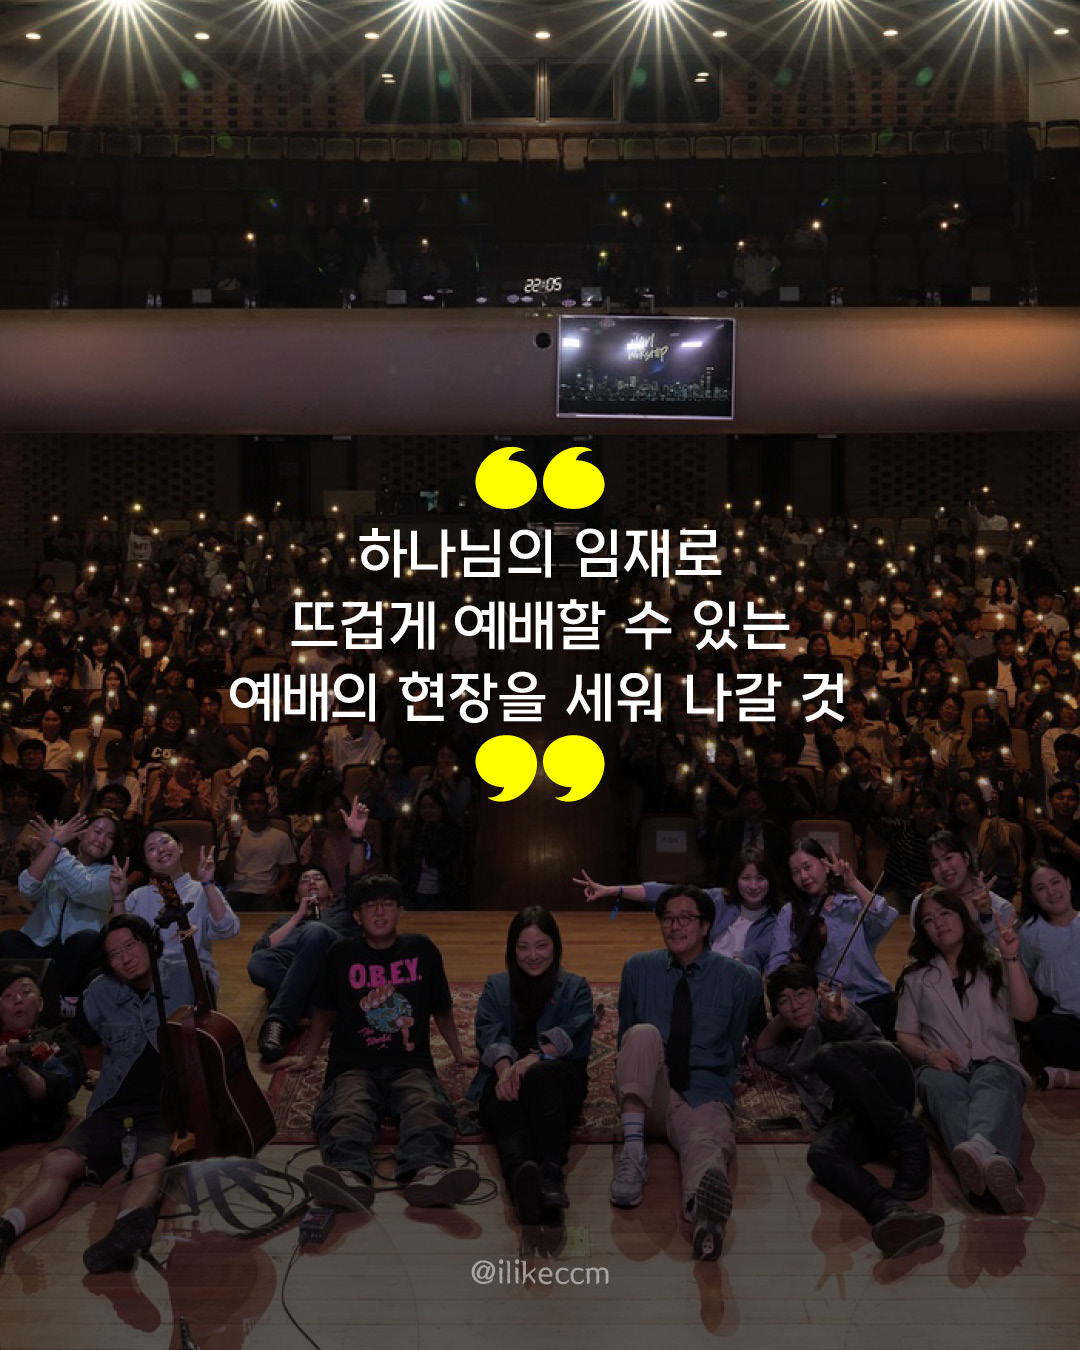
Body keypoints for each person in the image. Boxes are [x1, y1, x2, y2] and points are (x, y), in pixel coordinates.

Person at [0, 915, 194, 1273]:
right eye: (115, 954)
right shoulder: (100, 992)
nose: (126, 958)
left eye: (131, 946)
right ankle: (6, 1228)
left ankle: (123, 1236)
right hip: (112, 1105)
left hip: (165, 1108)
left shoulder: (186, 976)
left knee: (149, 1164)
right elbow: (83, 1038)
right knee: (58, 1162)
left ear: (148, 942)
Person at [275, 873, 479, 1211]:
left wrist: (458, 1053)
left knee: (425, 1106)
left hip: (409, 1062)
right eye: (371, 906)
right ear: (357, 916)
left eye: (388, 904)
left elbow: (441, 1006)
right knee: (348, 1110)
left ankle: (430, 1173)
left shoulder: (422, 949)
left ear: (400, 911)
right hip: (353, 1064)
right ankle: (348, 1177)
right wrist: (308, 1057)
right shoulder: (340, 953)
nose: (380, 912)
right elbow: (324, 1010)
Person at [610, 884, 759, 1261]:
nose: (675, 926)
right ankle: (633, 1154)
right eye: (668, 918)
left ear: (706, 926)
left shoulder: (738, 978)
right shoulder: (638, 968)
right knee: (641, 1034)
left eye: (686, 918)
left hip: (701, 1090)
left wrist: (726, 1083)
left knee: (706, 1147)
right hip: (649, 1092)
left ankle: (705, 1218)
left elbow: (735, 1041)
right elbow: (624, 1036)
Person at [756, 963, 943, 1259]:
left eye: (801, 994)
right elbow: (763, 1049)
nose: (795, 1005)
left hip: (886, 1079)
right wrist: (786, 1011)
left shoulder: (831, 1011)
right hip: (856, 1113)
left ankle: (910, 1134)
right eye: (784, 1001)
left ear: (816, 993)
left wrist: (826, 1008)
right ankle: (891, 1210)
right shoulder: (793, 1052)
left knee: (828, 1056)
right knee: (820, 1154)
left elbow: (840, 1016)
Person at [896, 886, 1037, 1212]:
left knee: (991, 1080)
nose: (939, 923)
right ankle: (995, 1164)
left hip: (997, 1063)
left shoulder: (995, 961)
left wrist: (1011, 957)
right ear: (923, 931)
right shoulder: (915, 977)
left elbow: (1026, 1012)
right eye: (928, 920)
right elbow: (905, 1034)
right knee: (942, 1088)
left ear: (962, 916)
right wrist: (929, 1055)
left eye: (945, 913)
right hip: (944, 1067)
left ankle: (979, 1169)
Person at [468, 906, 594, 1225]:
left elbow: (573, 1035)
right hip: (505, 1074)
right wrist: (505, 1073)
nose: (533, 956)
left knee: (539, 1077)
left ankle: (551, 1174)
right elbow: (489, 1031)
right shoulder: (496, 985)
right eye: (523, 947)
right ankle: (521, 1182)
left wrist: (532, 1059)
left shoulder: (576, 986)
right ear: (512, 950)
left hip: (556, 1078)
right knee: (506, 1107)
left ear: (555, 946)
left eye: (541, 946)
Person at [248, 798, 374, 1061]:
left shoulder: (343, 908)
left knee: (315, 931)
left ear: (331, 891)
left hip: (335, 963)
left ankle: (278, 1020)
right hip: (300, 964)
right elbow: (263, 950)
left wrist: (356, 837)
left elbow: (356, 876)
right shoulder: (284, 921)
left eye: (319, 878)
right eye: (305, 880)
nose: (313, 882)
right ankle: (327, 1009)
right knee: (258, 962)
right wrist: (298, 917)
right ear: (296, 895)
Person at [572, 845, 780, 972]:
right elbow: (665, 892)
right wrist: (613, 890)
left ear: (770, 881)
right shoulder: (719, 899)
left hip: (733, 981)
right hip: (698, 970)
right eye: (746, 878)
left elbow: (751, 955)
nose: (753, 886)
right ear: (736, 880)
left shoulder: (774, 921)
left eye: (760, 878)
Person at [767, 838, 898, 1036]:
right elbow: (777, 966)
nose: (803, 876)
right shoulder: (789, 913)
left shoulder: (855, 904)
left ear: (825, 865)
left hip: (872, 996)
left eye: (807, 867)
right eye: (795, 872)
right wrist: (807, 984)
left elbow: (883, 917)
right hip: (828, 1004)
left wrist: (852, 882)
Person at [0, 810, 123, 1015]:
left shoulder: (109, 874)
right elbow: (27, 887)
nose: (102, 840)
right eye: (97, 831)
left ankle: (49, 1000)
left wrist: (56, 846)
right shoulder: (55, 860)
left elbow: (84, 888)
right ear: (80, 834)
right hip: (41, 945)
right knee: (8, 939)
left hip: (74, 955)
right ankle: (51, 999)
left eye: (110, 837)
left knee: (88, 939)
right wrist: (53, 846)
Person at [111, 828, 239, 1003]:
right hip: (149, 977)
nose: (161, 849)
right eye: (152, 848)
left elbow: (228, 929)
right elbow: (118, 940)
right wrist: (118, 896)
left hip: (191, 976)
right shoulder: (138, 896)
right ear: (146, 861)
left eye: (165, 842)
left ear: (180, 847)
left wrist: (208, 883)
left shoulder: (200, 890)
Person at [0, 966, 85, 1147]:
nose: (17, 999)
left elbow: (58, 1090)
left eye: (26, 992)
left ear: (40, 1003)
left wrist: (17, 1066)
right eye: (7, 995)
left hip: (28, 1130)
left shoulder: (57, 1040)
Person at [1018, 862, 1080, 1088]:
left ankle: (1070, 1079)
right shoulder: (1029, 933)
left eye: (1056, 882)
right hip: (1069, 1022)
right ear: (1034, 898)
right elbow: (1025, 975)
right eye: (1041, 888)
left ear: (1068, 883)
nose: (1052, 892)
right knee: (1043, 1030)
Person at [913, 830, 1015, 947]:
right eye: (935, 864)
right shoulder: (922, 905)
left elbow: (1000, 954)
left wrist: (986, 917)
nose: (943, 868)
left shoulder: (1002, 909)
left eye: (948, 858)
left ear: (966, 858)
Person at [219, 785, 297, 911]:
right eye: (251, 803)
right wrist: (233, 848)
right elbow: (224, 876)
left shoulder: (281, 837)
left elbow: (286, 873)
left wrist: (278, 888)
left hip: (265, 891)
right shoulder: (231, 835)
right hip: (236, 890)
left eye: (261, 803)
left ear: (268, 807)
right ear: (244, 808)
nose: (256, 807)